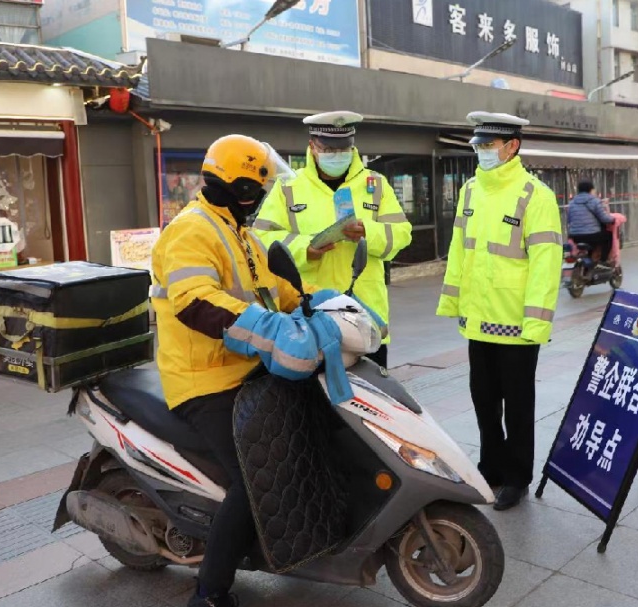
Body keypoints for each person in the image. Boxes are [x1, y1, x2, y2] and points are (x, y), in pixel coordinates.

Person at [151, 134, 335, 607]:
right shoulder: (192, 231)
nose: (262, 196)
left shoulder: (239, 232)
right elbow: (196, 303)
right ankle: (210, 591)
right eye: (259, 186)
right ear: (240, 187)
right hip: (204, 379)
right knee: (255, 478)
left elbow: (277, 289)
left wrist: (327, 303)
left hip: (246, 369)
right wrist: (266, 328)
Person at [437, 111, 563, 511]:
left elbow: (546, 264)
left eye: (489, 145)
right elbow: (460, 250)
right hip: (478, 321)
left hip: (516, 326)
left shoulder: (535, 195)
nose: (483, 151)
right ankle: (490, 467)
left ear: (512, 146)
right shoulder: (471, 190)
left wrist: (536, 323)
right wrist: (454, 303)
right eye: (479, 144)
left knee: (518, 404)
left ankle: (517, 477)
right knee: (483, 400)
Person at [253, 111, 412, 369]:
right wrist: (307, 248)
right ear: (312, 147)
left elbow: (402, 235)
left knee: (367, 403)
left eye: (343, 148)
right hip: (311, 316)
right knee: (317, 406)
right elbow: (261, 240)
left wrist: (367, 232)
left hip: (365, 317)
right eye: (328, 149)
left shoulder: (376, 184)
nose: (337, 155)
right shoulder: (288, 188)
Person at [566, 180, 614, 266]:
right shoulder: (594, 201)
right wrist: (612, 219)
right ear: (591, 190)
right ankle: (603, 261)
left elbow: (569, 220)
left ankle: (589, 261)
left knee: (592, 242)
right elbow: (604, 218)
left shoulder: (572, 203)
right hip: (592, 235)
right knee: (608, 236)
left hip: (575, 236)